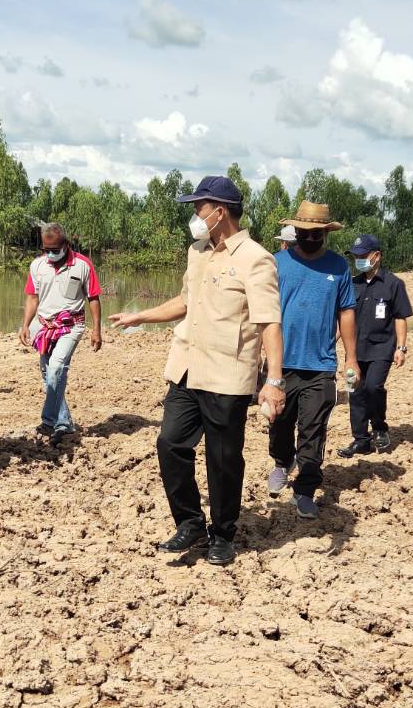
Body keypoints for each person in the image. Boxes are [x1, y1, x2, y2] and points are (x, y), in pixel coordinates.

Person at [108, 176, 284, 567]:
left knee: (223, 459)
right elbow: (186, 301)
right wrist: (142, 316)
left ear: (219, 212)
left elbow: (270, 321)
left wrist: (274, 381)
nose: (194, 216)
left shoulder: (256, 259)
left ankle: (223, 534)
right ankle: (189, 522)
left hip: (226, 374)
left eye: (198, 208)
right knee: (170, 444)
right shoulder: (198, 251)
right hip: (186, 368)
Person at [268, 201, 357, 520]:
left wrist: (351, 358)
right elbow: (262, 315)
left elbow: (346, 311)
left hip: (320, 365)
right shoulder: (276, 264)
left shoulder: (338, 267)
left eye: (316, 233)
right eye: (305, 232)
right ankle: (281, 461)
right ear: (296, 232)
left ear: (325, 233)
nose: (310, 237)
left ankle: (305, 490)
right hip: (282, 363)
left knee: (313, 430)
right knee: (278, 424)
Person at [18, 223, 103, 443]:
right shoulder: (37, 266)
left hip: (71, 326)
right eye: (47, 250)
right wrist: (26, 324)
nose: (51, 254)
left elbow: (93, 297)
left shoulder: (82, 265)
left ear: (66, 244)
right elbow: (32, 297)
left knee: (57, 367)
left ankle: (48, 421)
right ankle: (64, 424)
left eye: (55, 249)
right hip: (44, 327)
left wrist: (97, 330)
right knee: (49, 376)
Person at [337, 233, 413, 457]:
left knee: (373, 388)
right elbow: (342, 317)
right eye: (355, 256)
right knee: (355, 392)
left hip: (381, 348)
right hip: (354, 350)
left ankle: (379, 427)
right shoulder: (352, 284)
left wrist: (401, 347)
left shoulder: (393, 284)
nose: (358, 260)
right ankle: (360, 439)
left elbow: (400, 317)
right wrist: (331, 343)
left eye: (362, 255)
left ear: (376, 256)